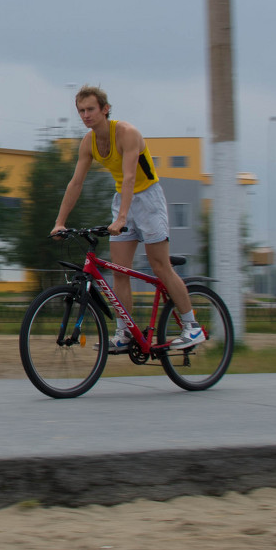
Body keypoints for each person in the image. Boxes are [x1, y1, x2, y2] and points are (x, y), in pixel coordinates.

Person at [50, 85, 204, 352]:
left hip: (148, 200)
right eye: (81, 111)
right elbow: (76, 183)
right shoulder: (88, 142)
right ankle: (125, 333)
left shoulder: (127, 133)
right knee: (119, 271)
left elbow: (131, 176)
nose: (86, 115)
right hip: (123, 198)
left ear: (105, 109)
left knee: (160, 266)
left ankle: (192, 327)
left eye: (91, 109)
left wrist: (122, 219)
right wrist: (59, 222)